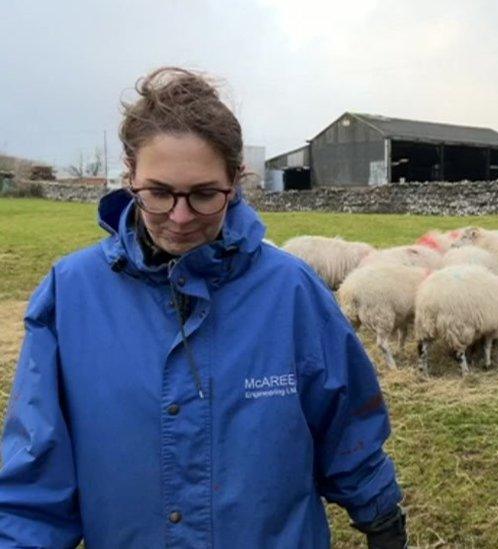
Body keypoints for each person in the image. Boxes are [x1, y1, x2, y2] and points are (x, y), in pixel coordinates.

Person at [0, 67, 407, 548]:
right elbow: (36, 473)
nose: (180, 216)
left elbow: (347, 428)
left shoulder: (291, 291)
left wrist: (382, 519)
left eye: (204, 194)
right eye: (158, 192)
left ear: (235, 181)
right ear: (129, 175)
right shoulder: (71, 294)